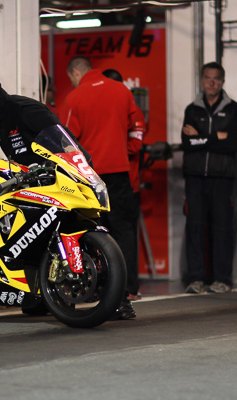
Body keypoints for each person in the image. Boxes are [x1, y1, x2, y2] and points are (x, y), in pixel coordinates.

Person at [63, 56, 137, 319]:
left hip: (91, 177)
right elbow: (134, 127)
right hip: (119, 173)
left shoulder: (75, 98)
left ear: (75, 72)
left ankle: (102, 291)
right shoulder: (122, 90)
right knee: (123, 232)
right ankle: (126, 294)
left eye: (71, 77)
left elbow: (68, 140)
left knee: (95, 234)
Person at [0, 67, 85, 181]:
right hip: (28, 183)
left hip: (55, 182)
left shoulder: (24, 109)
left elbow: (64, 139)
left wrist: (84, 172)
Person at [181, 62, 237, 294]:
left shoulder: (234, 109)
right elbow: (187, 143)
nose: (211, 82)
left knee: (222, 229)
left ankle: (222, 279)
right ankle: (195, 279)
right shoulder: (191, 109)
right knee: (194, 228)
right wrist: (215, 137)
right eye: (207, 78)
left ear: (222, 81)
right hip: (195, 177)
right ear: (202, 80)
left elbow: (230, 144)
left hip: (223, 177)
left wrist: (202, 137)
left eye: (216, 78)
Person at [102, 68, 145, 300]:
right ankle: (107, 286)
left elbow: (135, 146)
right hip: (101, 182)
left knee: (124, 236)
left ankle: (129, 287)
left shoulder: (134, 112)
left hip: (128, 184)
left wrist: (111, 145)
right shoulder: (103, 110)